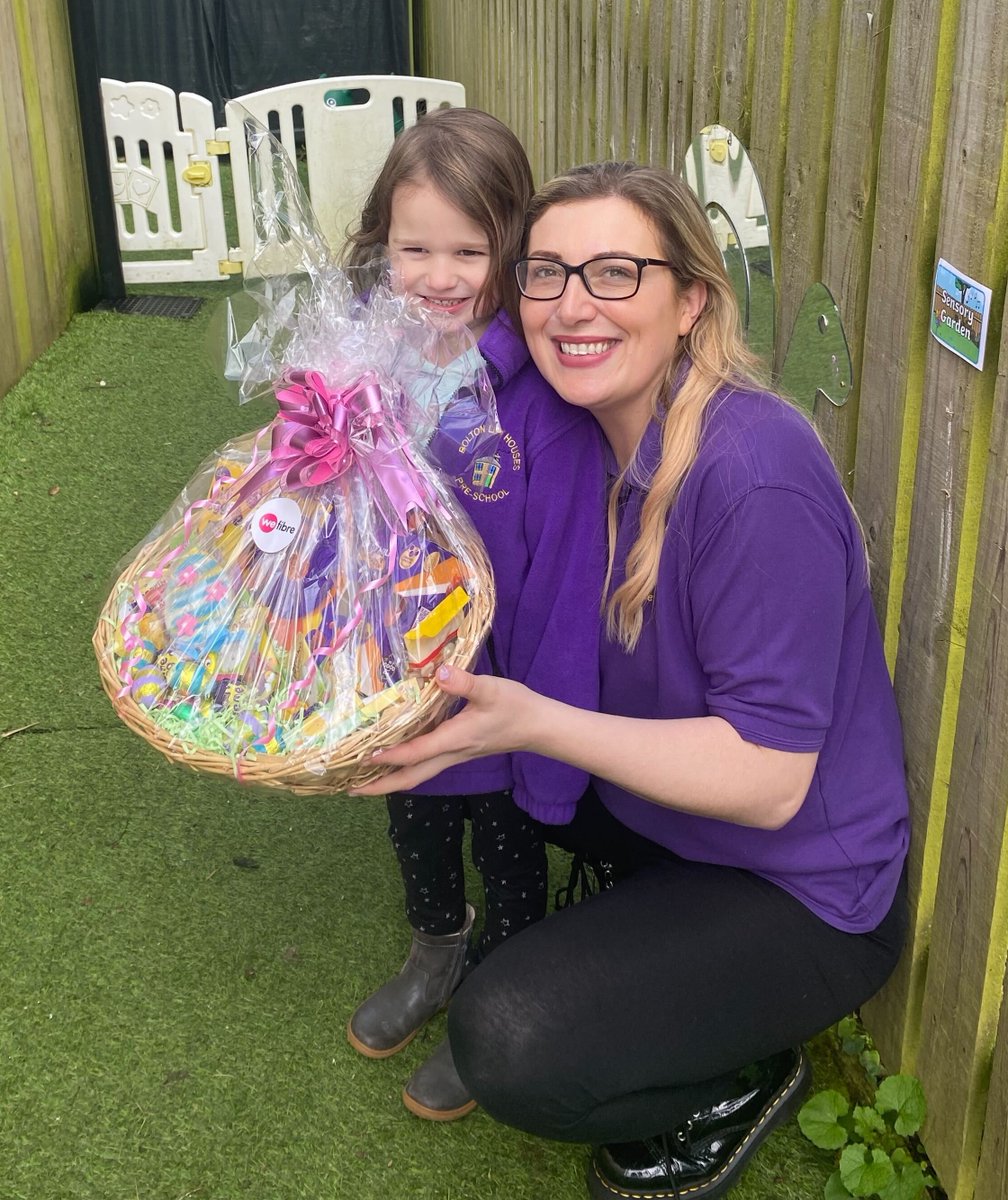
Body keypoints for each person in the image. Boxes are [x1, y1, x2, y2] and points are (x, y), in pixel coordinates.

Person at [352, 161, 910, 1199]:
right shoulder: (566, 440)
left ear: (690, 297)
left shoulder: (754, 474)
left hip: (799, 883)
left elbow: (769, 778)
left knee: (509, 1040)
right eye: (548, 273)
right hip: (664, 815)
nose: (572, 305)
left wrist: (534, 724)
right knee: (512, 793)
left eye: (615, 273)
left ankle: (732, 1080)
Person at [339, 110, 606, 1122]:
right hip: (398, 677)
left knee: (508, 849)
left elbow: (569, 572)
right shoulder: (366, 366)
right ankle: (435, 950)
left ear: (515, 249)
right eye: (415, 247)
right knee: (413, 821)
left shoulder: (543, 402)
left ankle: (492, 991)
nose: (440, 275)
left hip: (501, 693)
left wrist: (542, 733)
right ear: (383, 245)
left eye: (470, 248)